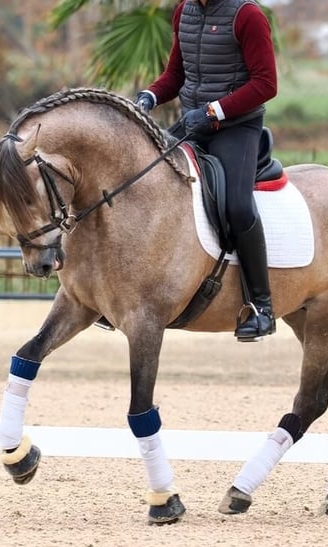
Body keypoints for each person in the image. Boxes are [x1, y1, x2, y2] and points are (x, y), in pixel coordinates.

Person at [135, 0, 278, 342]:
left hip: (237, 129)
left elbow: (266, 84)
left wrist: (215, 112)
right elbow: (175, 75)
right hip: (192, 122)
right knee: (143, 182)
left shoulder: (248, 15)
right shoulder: (185, 10)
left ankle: (262, 307)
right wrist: (149, 96)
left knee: (238, 206)